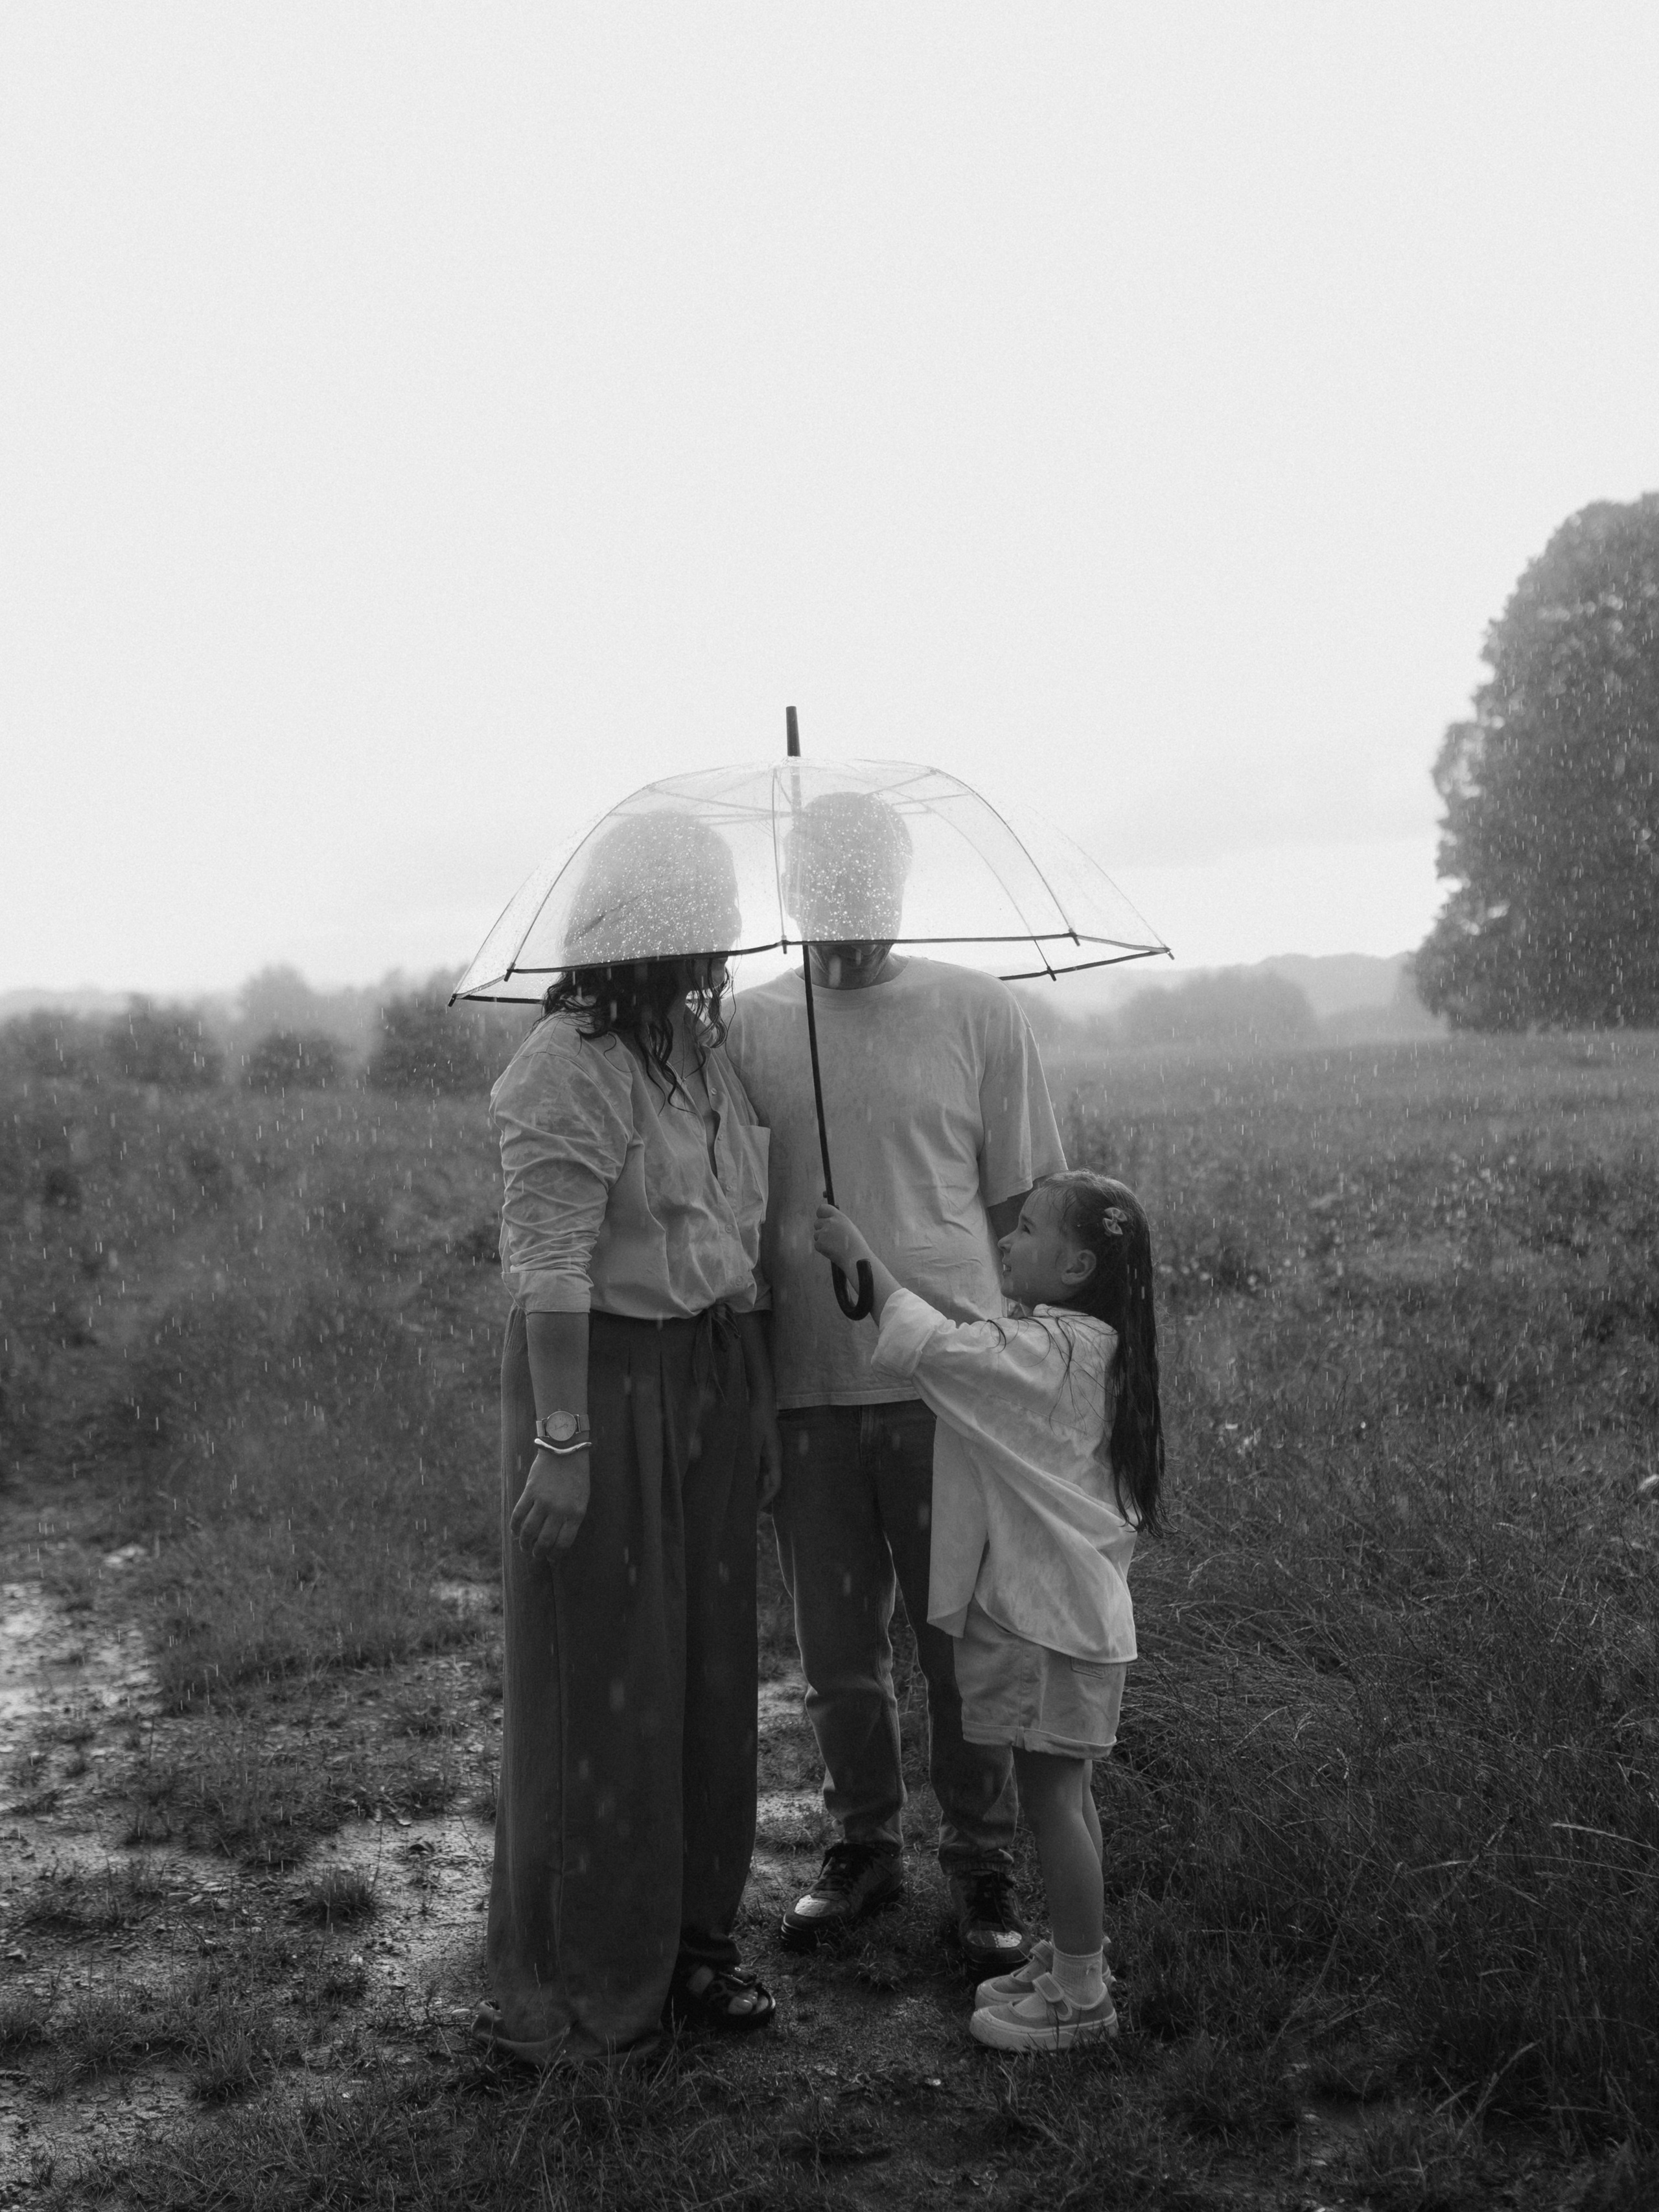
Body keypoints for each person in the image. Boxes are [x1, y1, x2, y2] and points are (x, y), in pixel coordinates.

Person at [726, 791, 1067, 1972]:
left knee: (961, 1644)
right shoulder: (746, 1026)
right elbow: (726, 1213)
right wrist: (756, 1386)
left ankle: (981, 1865)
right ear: (793, 890)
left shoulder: (976, 1011)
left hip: (953, 1385)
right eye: (825, 886)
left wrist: (1039, 1371)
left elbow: (1028, 1206)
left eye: (869, 885)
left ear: (900, 885)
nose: (847, 910)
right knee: (837, 1653)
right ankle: (862, 1845)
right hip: (811, 1390)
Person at [476, 811, 784, 2065]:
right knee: (602, 1681)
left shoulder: (696, 1050)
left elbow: (726, 1234)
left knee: (710, 1671)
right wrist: (563, 1436)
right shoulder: (568, 1059)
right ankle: (591, 1977)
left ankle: (693, 1950)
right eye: (698, 914)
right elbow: (547, 1258)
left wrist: (751, 1391)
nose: (716, 939)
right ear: (641, 919)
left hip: (711, 1370)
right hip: (597, 1380)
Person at [811, 1171, 1164, 2053]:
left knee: (1052, 1801)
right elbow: (969, 1348)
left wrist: (861, 1258)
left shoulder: (1057, 1351)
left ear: (1077, 1262)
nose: (1007, 1238)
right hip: (1073, 1621)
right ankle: (1077, 1957)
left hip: (1051, 1627)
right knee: (1066, 1796)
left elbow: (948, 1352)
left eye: (1030, 1228)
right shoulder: (1088, 1347)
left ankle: (1083, 1994)